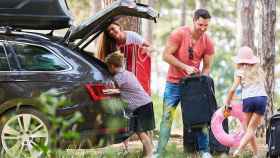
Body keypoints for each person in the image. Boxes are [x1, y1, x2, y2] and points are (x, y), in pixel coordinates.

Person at [154, 9, 215, 158]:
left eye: (206, 25)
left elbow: (207, 67)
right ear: (193, 20)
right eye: (200, 24)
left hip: (193, 86)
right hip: (174, 83)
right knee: (167, 117)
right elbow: (165, 55)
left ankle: (205, 151)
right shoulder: (179, 34)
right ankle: (159, 152)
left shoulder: (208, 42)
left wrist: (202, 80)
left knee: (199, 117)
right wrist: (185, 67)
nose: (203, 28)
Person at [105, 51, 155, 158]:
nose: (108, 70)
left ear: (112, 66)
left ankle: (150, 154)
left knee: (140, 131)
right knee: (144, 131)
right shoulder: (127, 73)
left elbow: (114, 89)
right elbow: (125, 90)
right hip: (146, 102)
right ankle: (147, 153)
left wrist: (109, 90)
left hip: (140, 106)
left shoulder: (118, 77)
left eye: (108, 67)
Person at [225, 46, 267, 158]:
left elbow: (233, 89)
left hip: (248, 99)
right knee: (251, 128)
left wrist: (227, 103)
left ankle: (238, 150)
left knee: (247, 128)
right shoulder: (258, 69)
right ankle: (256, 154)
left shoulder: (239, 71)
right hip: (261, 98)